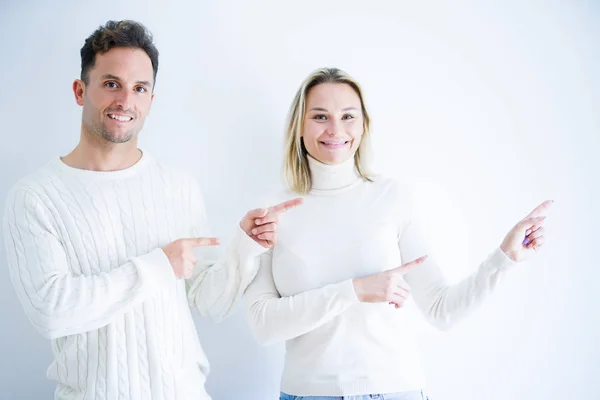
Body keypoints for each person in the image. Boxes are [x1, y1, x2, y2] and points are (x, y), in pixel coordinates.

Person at [2, 20, 301, 400]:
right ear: (80, 91)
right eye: (112, 84)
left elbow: (209, 302)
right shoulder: (35, 197)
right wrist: (158, 266)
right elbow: (51, 312)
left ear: (151, 100)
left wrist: (245, 246)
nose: (126, 101)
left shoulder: (177, 186)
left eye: (139, 88)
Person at [243, 67, 552, 400]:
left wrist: (504, 258)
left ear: (363, 126)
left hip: (392, 389)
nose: (335, 129)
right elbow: (263, 325)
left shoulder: (393, 198)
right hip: (305, 393)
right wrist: (355, 290)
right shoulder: (270, 211)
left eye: (348, 116)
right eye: (320, 116)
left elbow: (442, 310)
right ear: (298, 126)